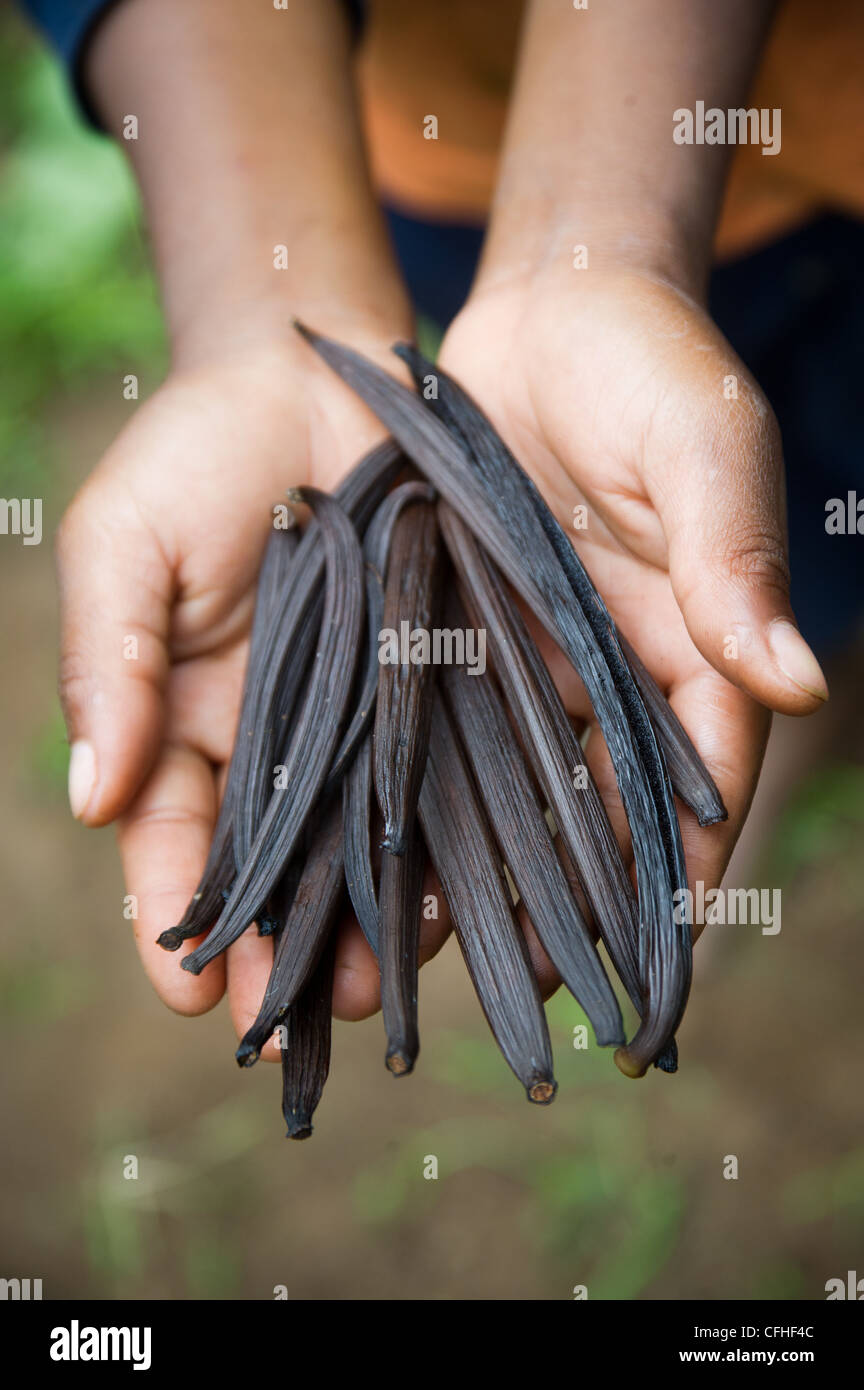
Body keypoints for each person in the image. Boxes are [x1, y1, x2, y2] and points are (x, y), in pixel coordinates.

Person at [22, 0, 852, 1058]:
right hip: (452, 142)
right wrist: (259, 302)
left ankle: (808, 665)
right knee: (734, 555)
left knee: (766, 507)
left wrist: (597, 247)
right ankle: (809, 660)